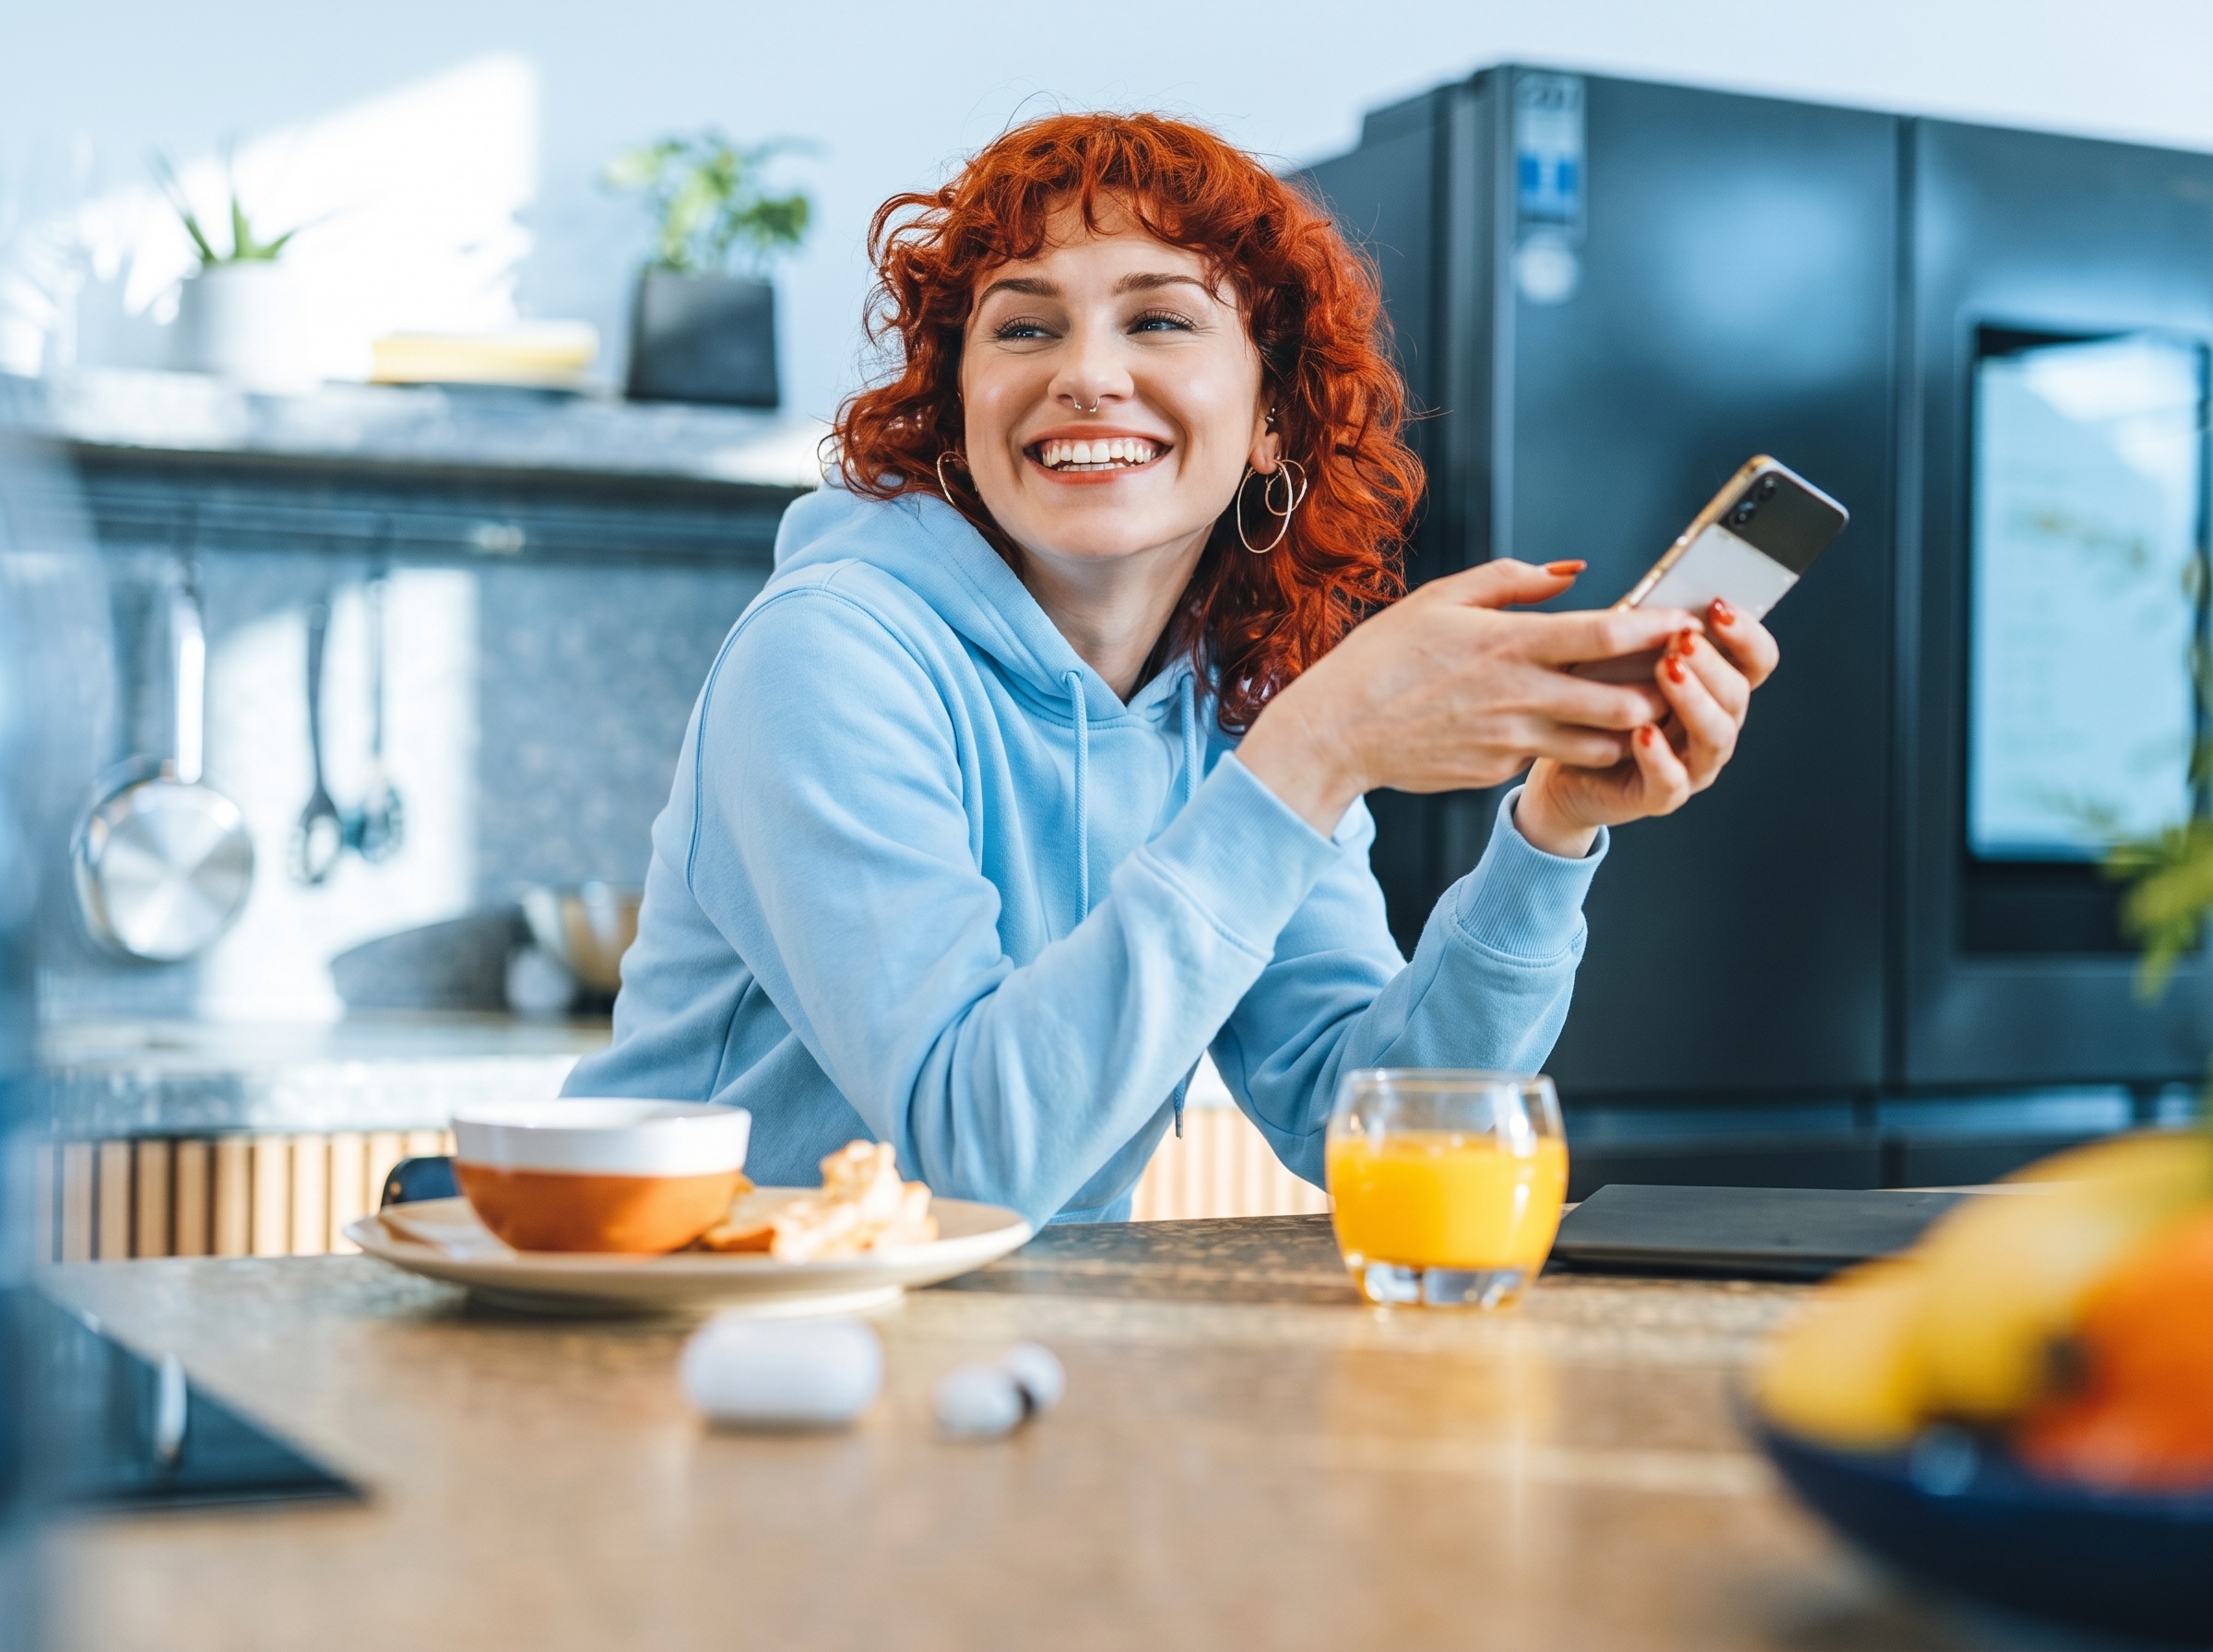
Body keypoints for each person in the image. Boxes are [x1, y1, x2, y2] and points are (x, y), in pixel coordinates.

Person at [562, 113, 1779, 1225]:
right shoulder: (827, 651)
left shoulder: (1227, 699)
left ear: (1269, 419)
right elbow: (972, 1152)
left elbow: (1364, 1116)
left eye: (1158, 319)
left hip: (994, 1373)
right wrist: (1315, 751)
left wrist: (1549, 834)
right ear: (960, 405)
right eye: (1024, 325)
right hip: (697, 1343)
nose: (1084, 373)